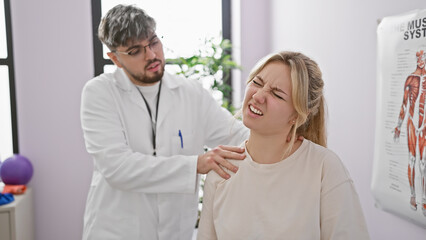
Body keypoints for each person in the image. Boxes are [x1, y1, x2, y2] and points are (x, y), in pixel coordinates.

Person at [80, 4, 249, 240]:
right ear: (115, 59)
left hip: (175, 231)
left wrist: (284, 134)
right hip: (117, 231)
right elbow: (118, 168)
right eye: (135, 50)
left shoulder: (191, 93)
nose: (151, 55)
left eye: (153, 42)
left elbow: (236, 136)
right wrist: (195, 165)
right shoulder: (100, 93)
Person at [197, 51, 370, 239]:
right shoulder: (222, 171)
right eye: (257, 83)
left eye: (277, 94)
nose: (258, 96)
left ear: (297, 115)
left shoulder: (324, 168)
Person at [393, 50, 426, 213]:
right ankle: (413, 195)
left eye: (424, 57)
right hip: (412, 123)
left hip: (424, 124)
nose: (422, 60)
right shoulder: (411, 78)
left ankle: (424, 198)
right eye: (420, 57)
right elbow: (404, 104)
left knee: (424, 162)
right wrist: (399, 126)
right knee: (413, 160)